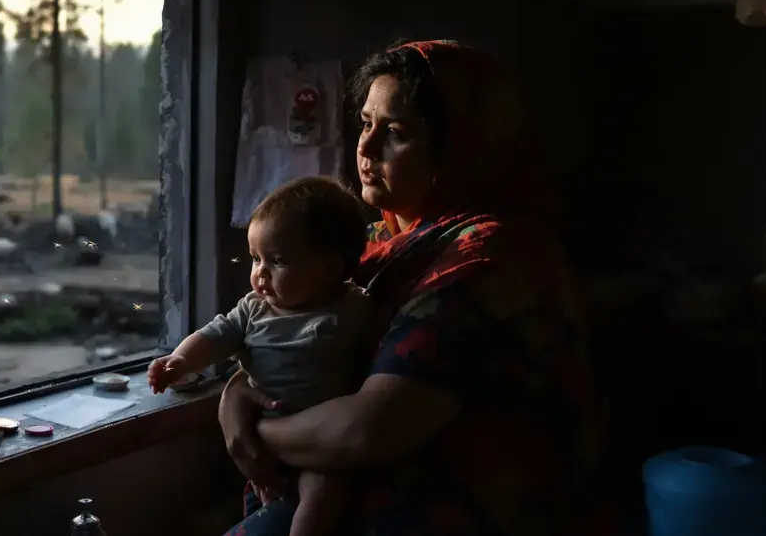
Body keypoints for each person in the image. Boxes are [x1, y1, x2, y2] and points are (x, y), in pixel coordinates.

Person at [218, 40, 611, 536]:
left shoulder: (492, 259)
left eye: (397, 133)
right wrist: (233, 395)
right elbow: (299, 345)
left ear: (462, 147)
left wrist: (254, 431)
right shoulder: (378, 245)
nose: (365, 147)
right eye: (366, 123)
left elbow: (368, 430)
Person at [148, 176, 371, 536]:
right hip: (262, 444)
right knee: (260, 498)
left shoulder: (353, 308)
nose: (260, 273)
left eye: (277, 261)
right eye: (256, 258)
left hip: (321, 448)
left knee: (318, 506)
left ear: (330, 268)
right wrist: (180, 361)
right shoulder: (254, 309)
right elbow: (213, 336)